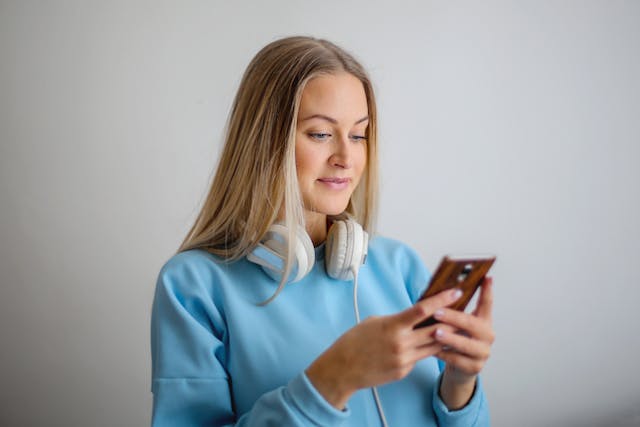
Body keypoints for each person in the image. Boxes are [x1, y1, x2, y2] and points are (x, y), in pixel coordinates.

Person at [150, 36, 494, 426]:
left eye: (358, 135)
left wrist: (460, 385)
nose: (346, 158)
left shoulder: (399, 266)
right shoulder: (193, 286)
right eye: (320, 134)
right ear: (264, 142)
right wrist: (333, 379)